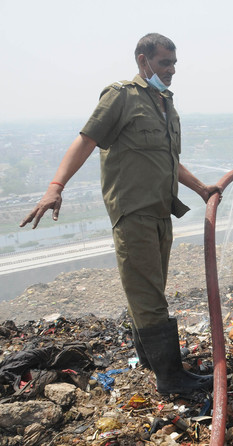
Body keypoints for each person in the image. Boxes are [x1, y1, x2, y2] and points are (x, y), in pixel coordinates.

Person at [19, 33, 220, 395]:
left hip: (161, 213)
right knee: (150, 297)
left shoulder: (165, 104)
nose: (172, 71)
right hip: (134, 213)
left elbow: (169, 160)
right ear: (143, 60)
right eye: (164, 63)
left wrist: (202, 189)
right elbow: (86, 139)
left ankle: (150, 361)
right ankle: (171, 379)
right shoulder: (121, 96)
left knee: (149, 290)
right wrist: (55, 187)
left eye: (174, 63)